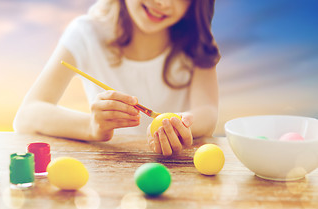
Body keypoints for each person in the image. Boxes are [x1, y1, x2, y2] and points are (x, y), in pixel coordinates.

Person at [13, 0, 220, 156]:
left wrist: (179, 125)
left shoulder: (197, 42)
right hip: (106, 170)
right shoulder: (86, 33)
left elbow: (208, 113)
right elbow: (26, 117)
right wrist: (91, 127)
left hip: (177, 170)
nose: (163, 3)